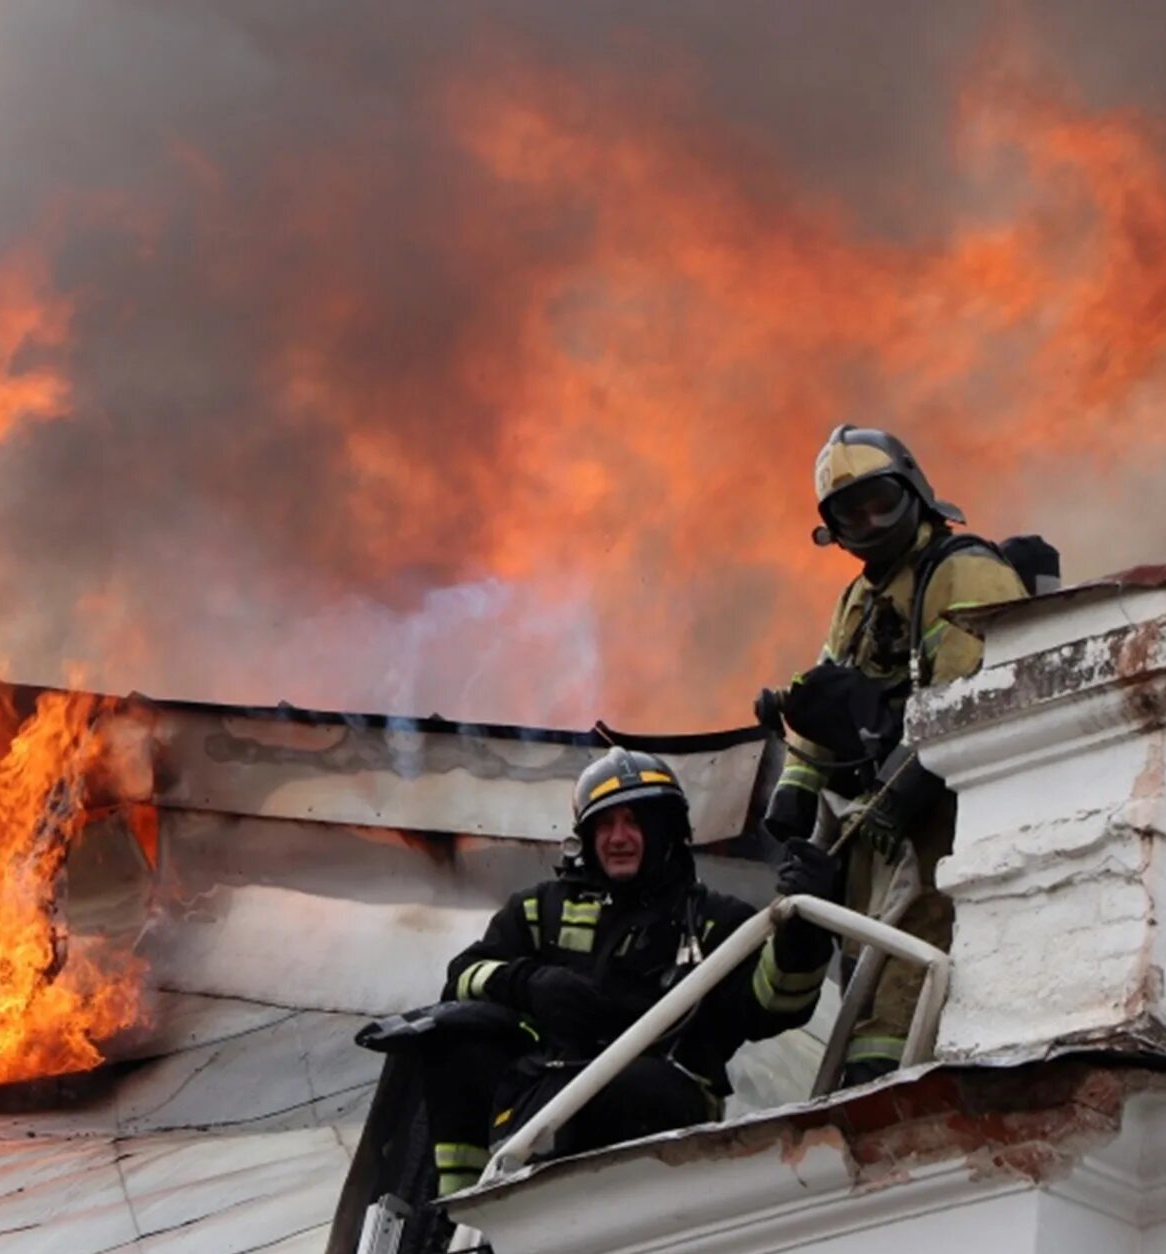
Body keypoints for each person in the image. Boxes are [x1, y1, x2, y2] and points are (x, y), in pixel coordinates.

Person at [419, 747, 840, 1196]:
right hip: (543, 1093)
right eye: (605, 823)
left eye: (635, 821)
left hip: (661, 1103)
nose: (618, 837)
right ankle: (461, 1217)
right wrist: (529, 984)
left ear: (668, 830)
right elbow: (462, 976)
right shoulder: (540, 908)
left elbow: (774, 1006)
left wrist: (802, 935)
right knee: (448, 1037)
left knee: (624, 1088)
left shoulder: (717, 921)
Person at [758, 424, 1027, 1086]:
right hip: (872, 819)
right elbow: (828, 692)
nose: (871, 521)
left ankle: (882, 1086)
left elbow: (975, 692)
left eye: (881, 501)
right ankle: (862, 1078)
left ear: (912, 490)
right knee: (862, 953)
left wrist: (902, 783)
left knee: (915, 945)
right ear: (834, 529)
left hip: (942, 808)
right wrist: (796, 782)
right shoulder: (857, 599)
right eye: (852, 513)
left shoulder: (963, 568)